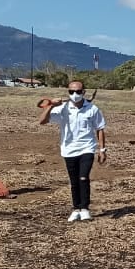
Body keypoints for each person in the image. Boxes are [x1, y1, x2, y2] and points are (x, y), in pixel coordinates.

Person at [38, 81, 107, 222]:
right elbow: (42, 121)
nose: (75, 95)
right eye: (71, 92)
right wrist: (50, 105)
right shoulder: (63, 108)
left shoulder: (92, 109)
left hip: (87, 148)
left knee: (83, 177)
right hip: (68, 149)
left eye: (78, 92)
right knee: (74, 181)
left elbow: (100, 128)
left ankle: (85, 208)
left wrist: (102, 149)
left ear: (84, 92)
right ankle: (76, 209)